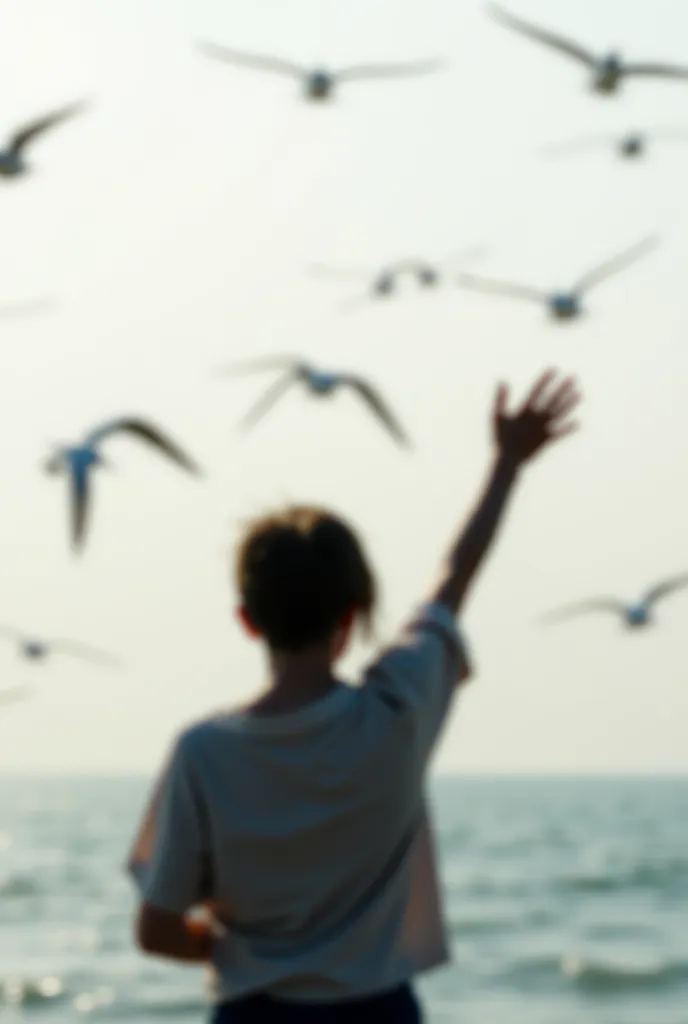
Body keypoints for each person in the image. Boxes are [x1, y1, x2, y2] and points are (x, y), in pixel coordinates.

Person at [127, 369, 581, 1023]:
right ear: (354, 616)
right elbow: (456, 575)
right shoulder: (399, 709)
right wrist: (507, 464)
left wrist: (239, 953)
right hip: (380, 1012)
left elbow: (157, 929)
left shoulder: (203, 752)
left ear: (247, 619)